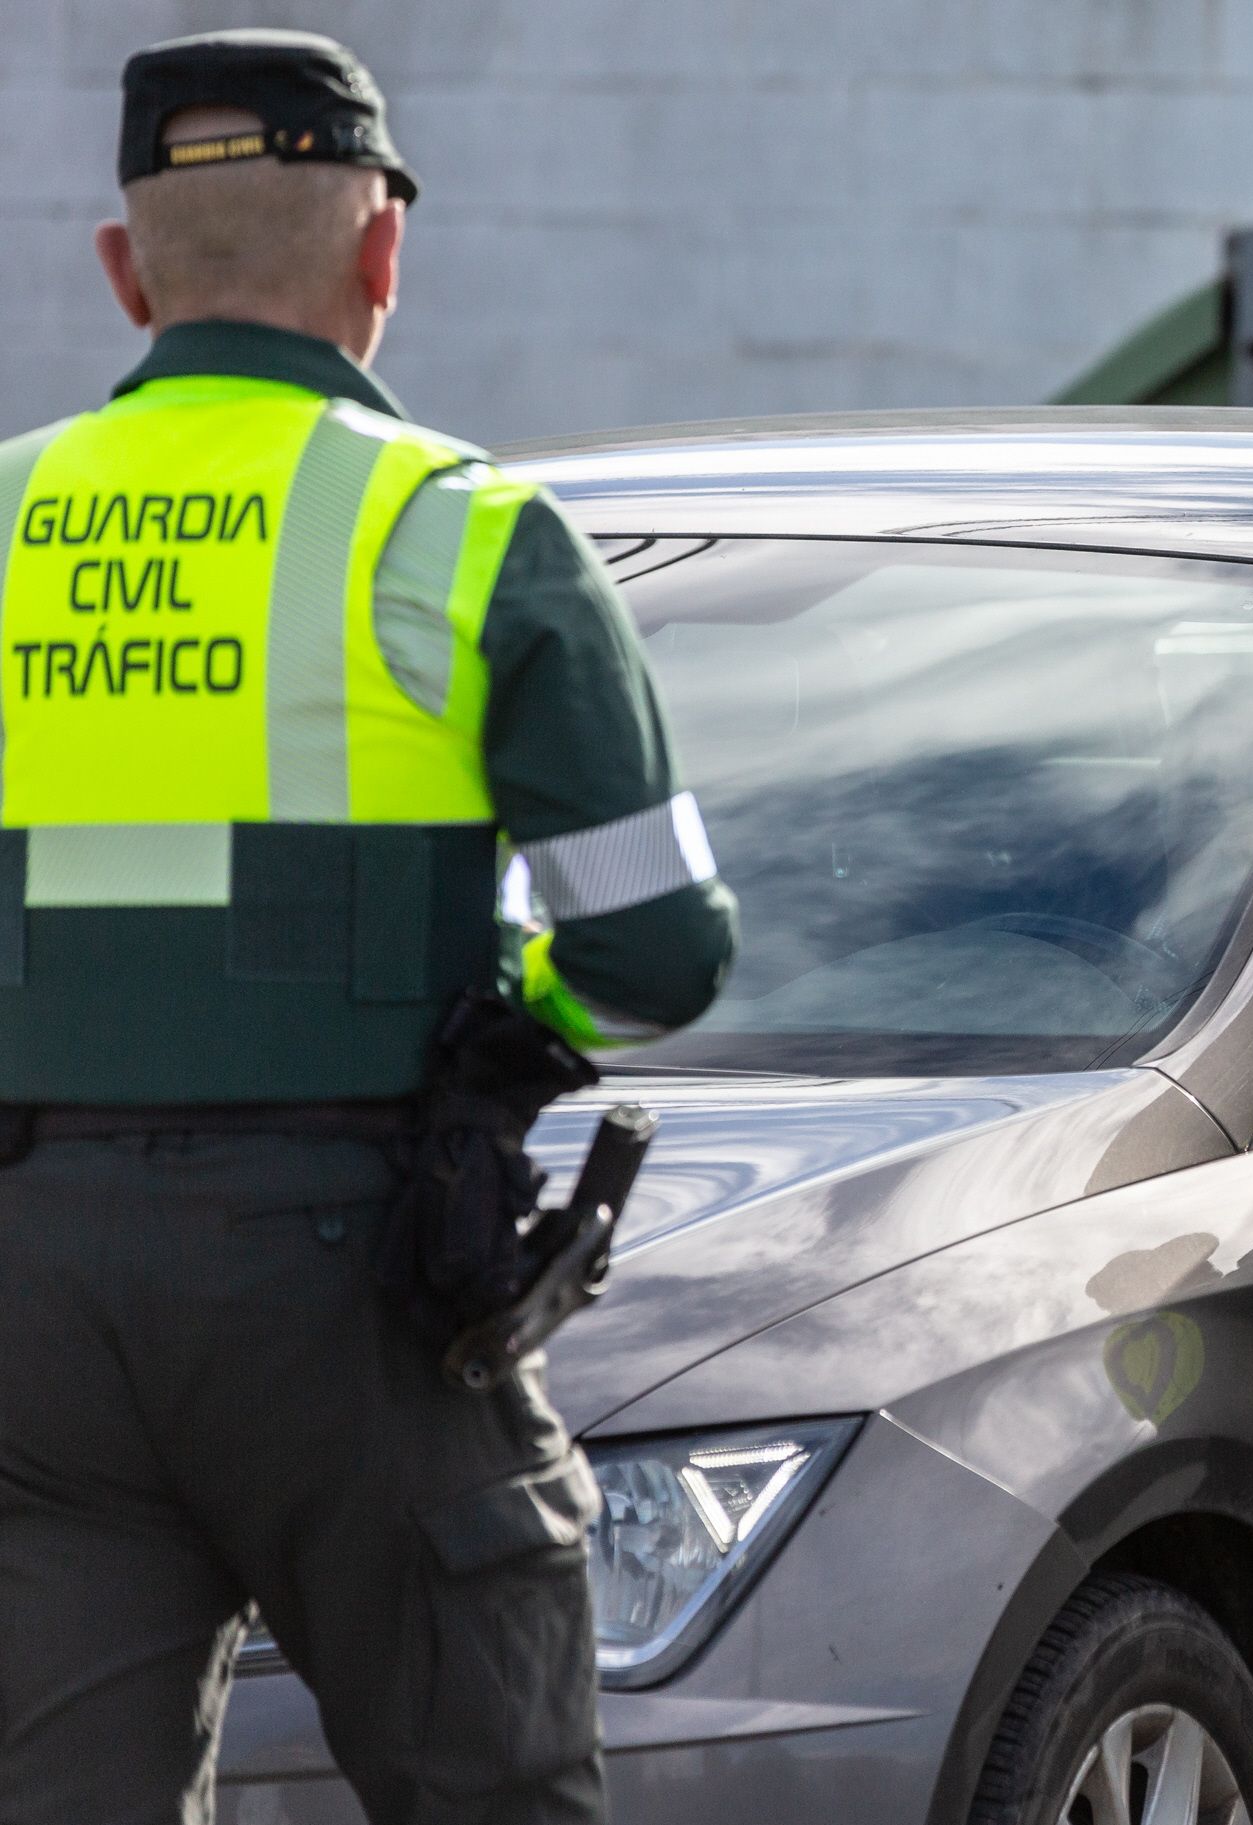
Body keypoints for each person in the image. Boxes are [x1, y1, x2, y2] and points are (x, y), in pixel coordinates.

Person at [0, 30, 736, 1825]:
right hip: (347, 1278)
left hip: (34, 1290)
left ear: (124, 268)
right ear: (383, 255)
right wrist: (506, 992)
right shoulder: (464, 530)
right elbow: (655, 953)